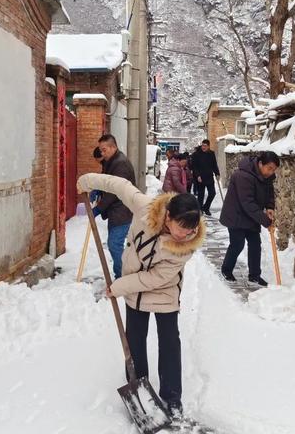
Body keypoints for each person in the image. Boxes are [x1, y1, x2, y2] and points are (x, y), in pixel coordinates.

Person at [77, 172, 205, 417]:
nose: (184, 236)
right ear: (168, 216)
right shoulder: (146, 207)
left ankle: (172, 397)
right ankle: (140, 388)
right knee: (134, 339)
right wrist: (88, 180)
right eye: (181, 229)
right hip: (134, 291)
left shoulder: (185, 247)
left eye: (190, 232)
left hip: (164, 293)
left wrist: (119, 286)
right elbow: (120, 185)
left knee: (169, 342)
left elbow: (154, 278)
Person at [219, 151, 279, 286]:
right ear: (260, 163)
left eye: (273, 170)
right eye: (269, 168)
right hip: (236, 215)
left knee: (255, 245)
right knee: (237, 244)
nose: (271, 172)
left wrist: (270, 206)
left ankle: (255, 276)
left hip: (251, 216)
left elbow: (269, 192)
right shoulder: (242, 176)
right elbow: (247, 203)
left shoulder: (266, 176)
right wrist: (265, 221)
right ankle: (226, 270)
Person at [94, 134, 136, 279]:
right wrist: (98, 188)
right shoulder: (110, 161)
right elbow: (106, 180)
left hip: (122, 210)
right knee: (115, 244)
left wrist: (99, 208)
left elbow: (115, 191)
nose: (102, 153)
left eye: (104, 150)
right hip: (115, 211)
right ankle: (122, 273)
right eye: (101, 150)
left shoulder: (120, 164)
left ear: (113, 147)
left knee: (114, 244)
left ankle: (122, 276)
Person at [191, 139, 220, 216]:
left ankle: (206, 207)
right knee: (201, 195)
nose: (203, 147)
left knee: (212, 193)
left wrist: (217, 173)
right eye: (202, 145)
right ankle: (200, 209)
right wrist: (198, 176)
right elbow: (194, 167)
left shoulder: (211, 153)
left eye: (205, 146)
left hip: (209, 177)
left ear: (208, 146)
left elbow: (214, 165)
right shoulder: (196, 154)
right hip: (200, 178)